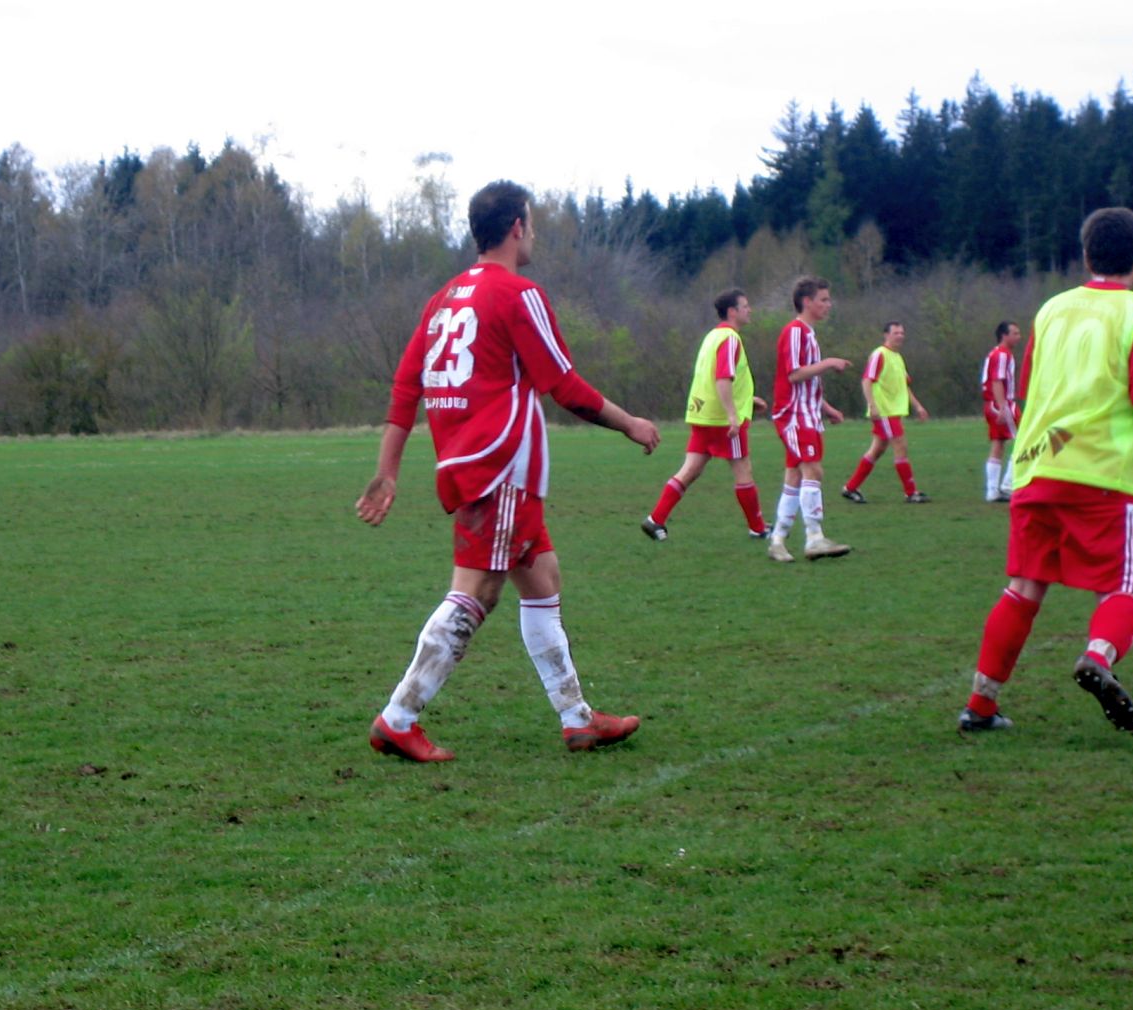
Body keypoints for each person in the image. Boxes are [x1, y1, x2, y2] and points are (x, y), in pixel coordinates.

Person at [356, 180, 661, 762]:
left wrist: (387, 469)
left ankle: (577, 718)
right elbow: (564, 386)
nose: (534, 234)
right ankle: (398, 717)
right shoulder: (519, 294)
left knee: (541, 577)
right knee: (477, 590)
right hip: (500, 466)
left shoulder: (444, 298)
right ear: (517, 227)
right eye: (533, 224)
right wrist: (630, 423)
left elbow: (405, 387)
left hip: (469, 461)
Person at [957, 207, 1133, 734]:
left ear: (1086, 256)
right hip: (1105, 475)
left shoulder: (1051, 310)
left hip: (1039, 467)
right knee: (1122, 588)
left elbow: (1030, 388)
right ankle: (1097, 656)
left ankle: (980, 705)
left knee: (1023, 588)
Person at [640, 289, 769, 542]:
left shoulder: (712, 336)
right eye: (745, 306)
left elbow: (714, 379)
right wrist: (732, 415)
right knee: (743, 470)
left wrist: (747, 400)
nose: (750, 310)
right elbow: (723, 378)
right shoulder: (730, 338)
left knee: (690, 469)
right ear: (732, 312)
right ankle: (758, 528)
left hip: (702, 415)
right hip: (722, 421)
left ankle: (655, 519)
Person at [766, 276, 852, 563]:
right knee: (813, 471)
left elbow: (807, 382)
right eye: (823, 299)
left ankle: (778, 540)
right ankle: (814, 538)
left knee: (795, 476)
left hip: (808, 413)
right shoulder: (795, 331)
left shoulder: (809, 334)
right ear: (807, 302)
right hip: (794, 414)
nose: (829, 305)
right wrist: (828, 363)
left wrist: (826, 408)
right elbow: (794, 375)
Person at [840, 321, 932, 504]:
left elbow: (904, 386)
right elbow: (867, 380)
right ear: (886, 335)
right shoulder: (879, 354)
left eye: (902, 333)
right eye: (896, 333)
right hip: (884, 412)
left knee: (877, 450)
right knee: (900, 446)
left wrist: (918, 406)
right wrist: (872, 405)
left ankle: (850, 488)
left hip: (893, 412)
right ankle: (911, 493)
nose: (900, 336)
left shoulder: (897, 357)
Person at [981, 320, 1022, 502]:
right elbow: (997, 381)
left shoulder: (996, 353)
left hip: (992, 404)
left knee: (998, 443)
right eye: (1015, 333)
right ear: (1004, 335)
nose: (1019, 337)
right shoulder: (1002, 355)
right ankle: (1008, 484)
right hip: (1002, 403)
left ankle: (992, 491)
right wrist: (1003, 407)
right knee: (1024, 440)